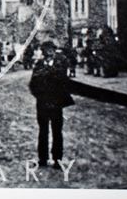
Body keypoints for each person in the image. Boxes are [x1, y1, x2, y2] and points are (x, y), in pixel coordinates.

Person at [29, 40, 74, 168]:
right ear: (43, 52)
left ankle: (57, 159)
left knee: (57, 132)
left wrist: (57, 98)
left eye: (52, 50)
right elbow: (33, 85)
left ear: (54, 52)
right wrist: (41, 97)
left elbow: (64, 83)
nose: (49, 53)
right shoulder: (38, 65)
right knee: (43, 131)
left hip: (56, 104)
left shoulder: (60, 65)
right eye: (47, 51)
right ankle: (42, 159)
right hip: (42, 104)